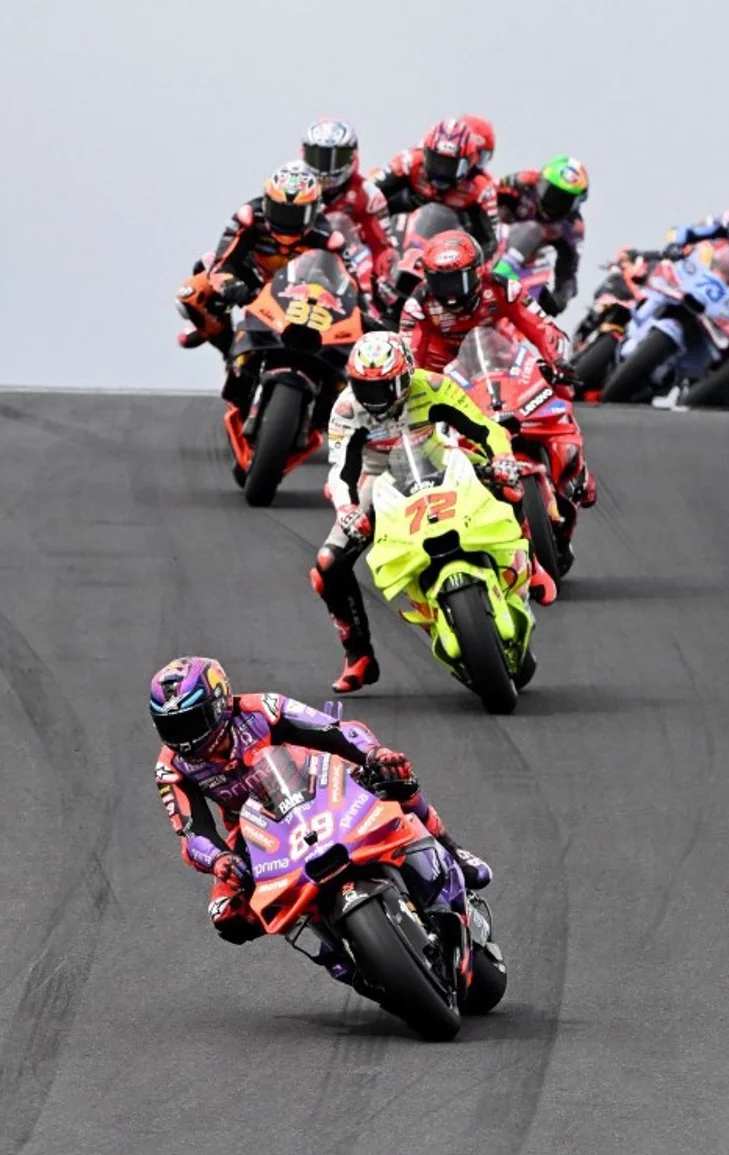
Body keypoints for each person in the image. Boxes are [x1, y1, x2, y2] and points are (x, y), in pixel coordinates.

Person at [150, 656, 492, 953]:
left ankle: (452, 850)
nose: (185, 737)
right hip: (257, 828)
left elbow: (333, 730)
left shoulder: (262, 708)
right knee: (227, 914)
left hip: (320, 782)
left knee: (394, 777)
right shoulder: (171, 767)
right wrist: (219, 859)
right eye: (171, 726)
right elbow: (192, 832)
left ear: (219, 703)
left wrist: (374, 754)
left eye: (191, 721)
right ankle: (337, 955)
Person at [311, 330, 556, 694]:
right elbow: (342, 470)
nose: (372, 397)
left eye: (383, 387)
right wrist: (347, 509)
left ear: (406, 377)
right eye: (364, 386)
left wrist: (502, 459)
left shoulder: (434, 387)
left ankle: (532, 566)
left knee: (509, 482)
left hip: (441, 455)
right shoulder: (347, 409)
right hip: (378, 478)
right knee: (328, 564)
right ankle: (358, 655)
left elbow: (483, 427)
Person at [175, 161, 349, 367]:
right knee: (191, 293)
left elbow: (345, 282)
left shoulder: (326, 236)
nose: (287, 221)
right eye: (279, 210)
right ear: (266, 202)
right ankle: (226, 346)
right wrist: (228, 283)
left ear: (313, 211)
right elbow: (223, 260)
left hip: (297, 292)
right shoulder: (249, 216)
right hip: (252, 278)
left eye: (296, 214)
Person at [399, 229, 573, 374]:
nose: (450, 293)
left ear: (478, 271)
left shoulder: (504, 289)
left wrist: (557, 361)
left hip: (495, 360)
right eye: (440, 283)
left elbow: (541, 327)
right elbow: (410, 356)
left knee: (560, 388)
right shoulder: (418, 305)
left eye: (458, 281)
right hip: (440, 370)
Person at [371, 118, 500, 256]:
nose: (442, 172)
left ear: (469, 163)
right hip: (397, 236)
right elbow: (370, 193)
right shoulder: (408, 161)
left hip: (445, 252)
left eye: (451, 166)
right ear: (426, 153)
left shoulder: (481, 189)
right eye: (437, 162)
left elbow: (489, 243)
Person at [300, 119, 399, 299]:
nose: (326, 168)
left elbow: (381, 247)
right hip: (298, 262)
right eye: (319, 157)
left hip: (346, 270)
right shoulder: (291, 186)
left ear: (352, 156)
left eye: (335, 158)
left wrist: (382, 278)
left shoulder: (368, 194)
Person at [496, 156, 589, 316]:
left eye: (564, 200)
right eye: (551, 193)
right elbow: (485, 194)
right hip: (491, 241)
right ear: (540, 182)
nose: (554, 203)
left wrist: (559, 299)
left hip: (522, 267)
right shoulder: (522, 181)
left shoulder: (573, 227)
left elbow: (568, 270)